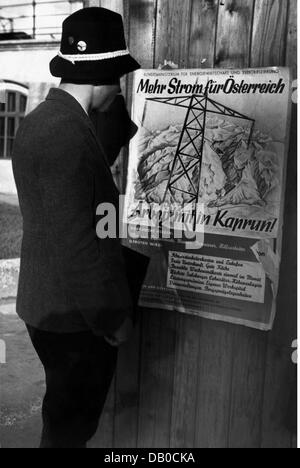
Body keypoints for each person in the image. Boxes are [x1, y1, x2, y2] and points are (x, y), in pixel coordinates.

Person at [12, 7, 142, 449]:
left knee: (62, 419)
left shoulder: (43, 123)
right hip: (75, 317)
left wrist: (114, 102)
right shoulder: (69, 138)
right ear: (106, 75)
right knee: (70, 431)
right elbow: (81, 246)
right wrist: (113, 318)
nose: (121, 87)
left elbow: (103, 150)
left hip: (45, 303)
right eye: (119, 78)